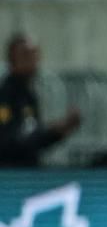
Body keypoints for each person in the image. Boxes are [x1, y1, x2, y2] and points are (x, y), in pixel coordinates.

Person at [0, 34, 81, 167]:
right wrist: (53, 131)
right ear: (12, 61)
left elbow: (33, 141)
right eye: (26, 55)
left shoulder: (29, 96)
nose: (33, 60)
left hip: (29, 171)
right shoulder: (5, 97)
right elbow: (9, 144)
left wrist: (59, 132)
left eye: (35, 55)